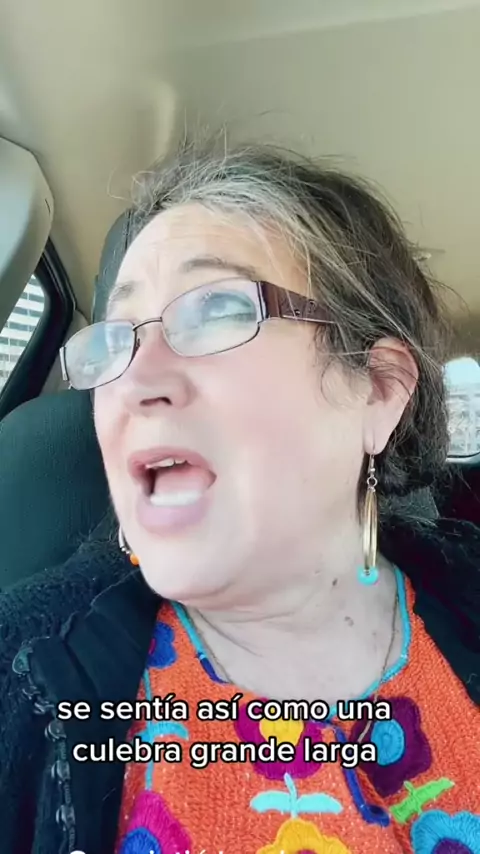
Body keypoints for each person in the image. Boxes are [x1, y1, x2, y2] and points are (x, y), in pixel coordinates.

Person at [1, 139, 479, 854]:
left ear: (378, 390)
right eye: (113, 340)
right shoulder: (19, 669)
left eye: (218, 310)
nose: (135, 381)